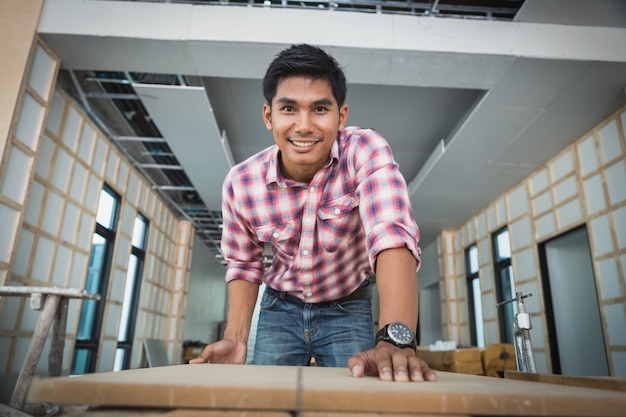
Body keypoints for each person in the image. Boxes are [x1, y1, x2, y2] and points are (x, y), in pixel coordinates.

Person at [191, 43, 436, 383]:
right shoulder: (241, 183)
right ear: (268, 116)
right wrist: (235, 338)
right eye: (289, 108)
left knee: (355, 405)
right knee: (267, 403)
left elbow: (390, 232)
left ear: (341, 116)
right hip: (279, 309)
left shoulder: (365, 151)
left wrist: (394, 339)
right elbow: (244, 263)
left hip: (348, 307)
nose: (304, 126)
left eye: (320, 108)